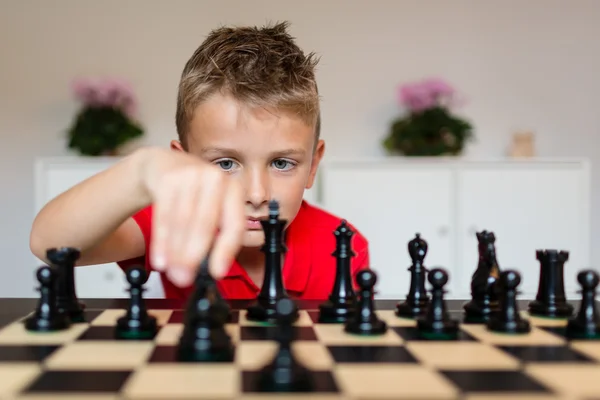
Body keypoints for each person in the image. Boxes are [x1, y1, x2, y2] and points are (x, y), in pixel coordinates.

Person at [29, 21, 369, 300]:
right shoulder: (170, 224)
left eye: (281, 163)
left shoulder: (343, 244)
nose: (256, 194)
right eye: (225, 164)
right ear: (183, 164)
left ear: (313, 165)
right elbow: (50, 245)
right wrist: (139, 172)